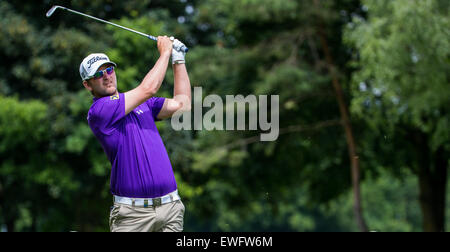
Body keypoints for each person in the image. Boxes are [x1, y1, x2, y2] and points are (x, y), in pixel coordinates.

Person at [79, 36, 191, 232]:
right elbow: (148, 89)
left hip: (171, 209)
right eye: (98, 74)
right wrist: (165, 52)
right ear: (88, 85)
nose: (106, 76)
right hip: (133, 216)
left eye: (109, 70)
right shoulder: (99, 111)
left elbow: (182, 104)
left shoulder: (143, 105)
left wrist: (178, 59)